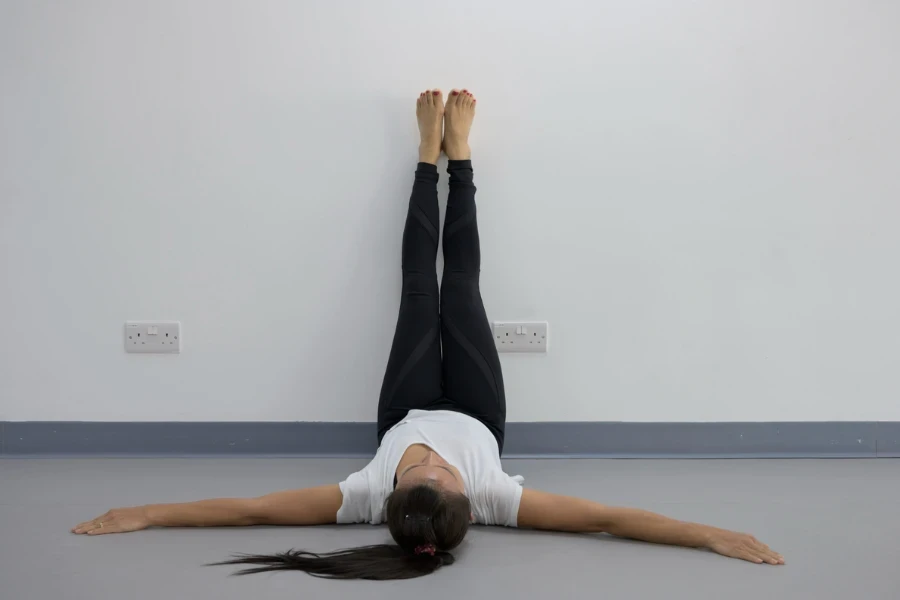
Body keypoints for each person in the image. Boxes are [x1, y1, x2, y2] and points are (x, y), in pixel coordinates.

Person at [72, 88, 785, 580]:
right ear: (467, 499)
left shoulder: (366, 492)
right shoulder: (496, 498)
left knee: (420, 289)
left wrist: (147, 513)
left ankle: (425, 155)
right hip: (478, 407)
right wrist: (710, 534)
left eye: (420, 474)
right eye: (441, 477)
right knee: (463, 288)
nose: (433, 465)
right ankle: (462, 158)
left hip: (404, 402)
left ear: (391, 495)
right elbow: (605, 519)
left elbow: (252, 510)